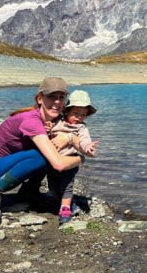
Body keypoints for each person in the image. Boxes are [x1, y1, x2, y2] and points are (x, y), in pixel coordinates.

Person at [0, 77, 84, 225]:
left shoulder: (52, 120)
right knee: (44, 155)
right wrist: (81, 158)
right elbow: (58, 164)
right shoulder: (31, 120)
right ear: (40, 99)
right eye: (52, 97)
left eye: (61, 97)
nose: (57, 102)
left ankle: (29, 193)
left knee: (46, 151)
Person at [47, 90, 100, 224]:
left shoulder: (81, 128)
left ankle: (65, 209)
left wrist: (87, 147)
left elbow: (83, 141)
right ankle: (67, 203)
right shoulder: (58, 121)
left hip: (70, 160)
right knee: (53, 186)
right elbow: (47, 132)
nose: (79, 118)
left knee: (67, 186)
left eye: (83, 115)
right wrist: (47, 128)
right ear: (67, 111)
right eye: (76, 113)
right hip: (52, 159)